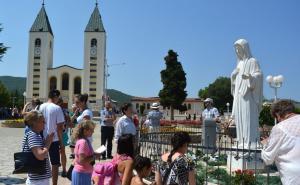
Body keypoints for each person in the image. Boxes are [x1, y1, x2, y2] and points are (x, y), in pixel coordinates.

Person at [231, 39, 263, 147]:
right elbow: (235, 82)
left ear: (245, 49)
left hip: (249, 95)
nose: (237, 51)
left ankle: (251, 142)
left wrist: (250, 77)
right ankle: (241, 141)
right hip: (239, 96)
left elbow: (259, 75)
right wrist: (233, 77)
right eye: (236, 49)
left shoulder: (253, 61)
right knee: (240, 118)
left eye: (239, 48)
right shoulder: (239, 63)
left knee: (248, 118)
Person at [261, 100, 300, 185]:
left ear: (278, 114)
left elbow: (268, 159)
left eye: (276, 117)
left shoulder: (280, 127)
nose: (278, 120)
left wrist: (265, 144)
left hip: (294, 177)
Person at [39, 90, 65, 185]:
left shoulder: (41, 106)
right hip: (54, 140)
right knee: (55, 164)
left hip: (41, 138)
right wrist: (61, 143)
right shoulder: (57, 108)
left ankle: (41, 181)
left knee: (41, 161)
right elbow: (59, 127)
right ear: (55, 96)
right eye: (58, 97)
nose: (58, 99)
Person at [22, 111, 54, 185]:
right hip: (38, 180)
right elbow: (40, 156)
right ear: (35, 123)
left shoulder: (36, 135)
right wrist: (48, 143)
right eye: (42, 121)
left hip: (38, 178)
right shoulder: (33, 135)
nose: (45, 123)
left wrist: (46, 142)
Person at [72, 120, 99, 185]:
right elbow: (82, 160)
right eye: (91, 130)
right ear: (85, 131)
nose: (93, 131)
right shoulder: (83, 142)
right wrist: (95, 156)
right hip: (82, 174)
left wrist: (94, 154)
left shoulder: (83, 140)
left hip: (83, 173)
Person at [56, 97, 71, 177]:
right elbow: (70, 122)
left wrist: (65, 125)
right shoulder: (65, 111)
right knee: (61, 151)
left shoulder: (62, 111)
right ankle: (63, 169)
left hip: (60, 133)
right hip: (61, 133)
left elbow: (69, 122)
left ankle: (64, 169)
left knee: (61, 151)